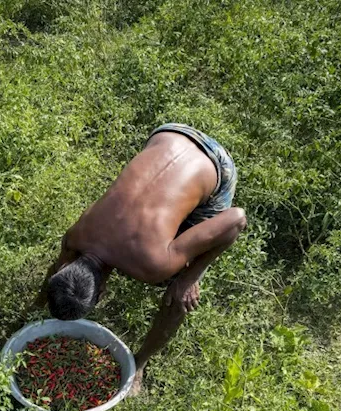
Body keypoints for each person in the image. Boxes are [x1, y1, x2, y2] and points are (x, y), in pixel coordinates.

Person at [40, 123, 247, 395]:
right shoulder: (76, 236)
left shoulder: (153, 265)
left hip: (216, 165)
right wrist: (39, 307)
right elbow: (60, 266)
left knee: (177, 299)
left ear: (102, 292)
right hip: (168, 134)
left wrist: (189, 276)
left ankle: (139, 363)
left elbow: (236, 219)